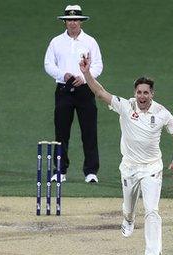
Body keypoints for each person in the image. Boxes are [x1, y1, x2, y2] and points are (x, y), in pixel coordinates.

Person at [79, 55, 173, 255]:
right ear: (135, 93)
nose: (142, 96)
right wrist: (86, 73)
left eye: (146, 92)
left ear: (152, 94)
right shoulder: (125, 106)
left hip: (152, 169)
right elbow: (99, 92)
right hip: (129, 167)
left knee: (152, 211)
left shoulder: (162, 113)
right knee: (128, 208)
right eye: (139, 92)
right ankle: (128, 219)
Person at [44, 4, 103, 183]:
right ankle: (60, 171)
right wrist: (64, 75)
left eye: (76, 19)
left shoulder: (90, 42)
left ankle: (91, 172)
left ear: (81, 21)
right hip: (63, 90)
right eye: (69, 20)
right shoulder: (56, 42)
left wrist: (85, 78)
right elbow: (48, 64)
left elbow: (98, 65)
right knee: (61, 132)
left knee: (89, 131)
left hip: (85, 90)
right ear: (65, 22)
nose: (72, 23)